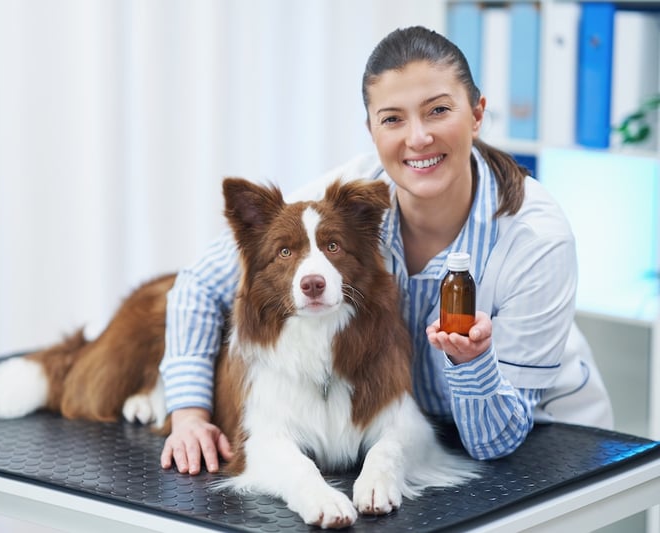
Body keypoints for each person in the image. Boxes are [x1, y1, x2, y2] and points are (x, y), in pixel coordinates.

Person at [157, 26, 614, 475]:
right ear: (372, 130)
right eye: (393, 118)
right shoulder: (349, 200)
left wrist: (472, 364)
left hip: (541, 440)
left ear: (476, 114)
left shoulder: (536, 239)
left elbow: (495, 442)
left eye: (437, 110)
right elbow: (198, 284)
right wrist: (190, 415)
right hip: (422, 433)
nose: (417, 138)